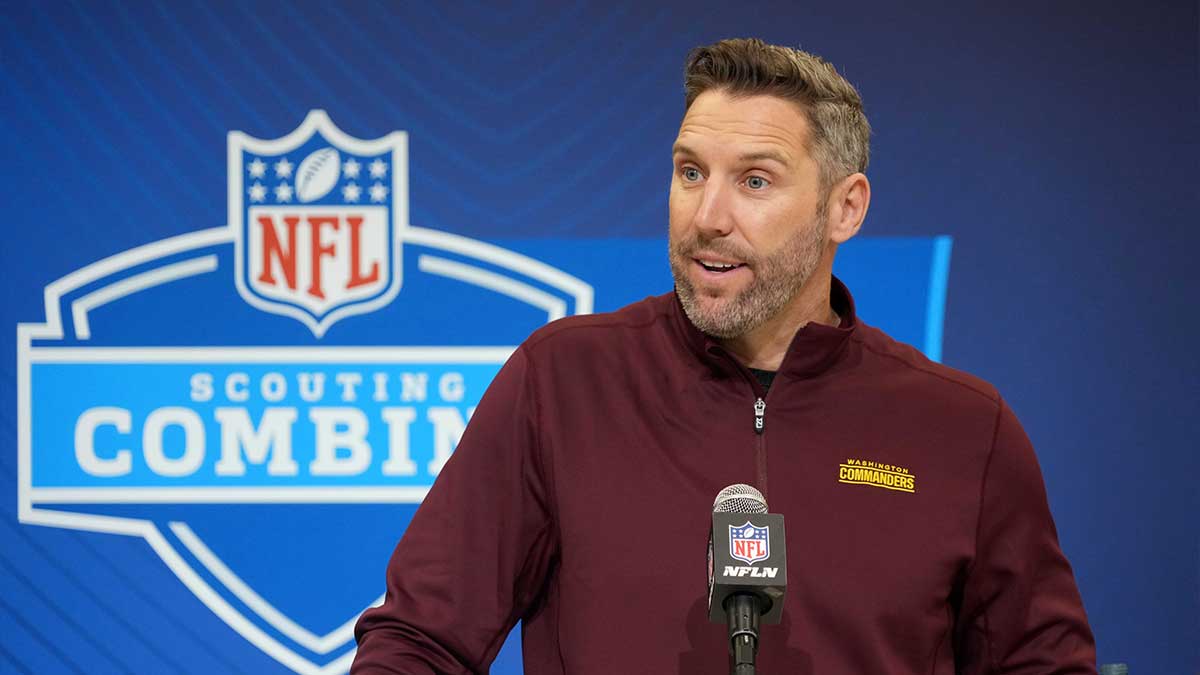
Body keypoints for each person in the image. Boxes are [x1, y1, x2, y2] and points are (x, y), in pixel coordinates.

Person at [352, 38, 1096, 674]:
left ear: (846, 206)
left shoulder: (963, 429)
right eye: (690, 172)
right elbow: (418, 641)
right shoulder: (563, 382)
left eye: (755, 181)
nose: (707, 217)